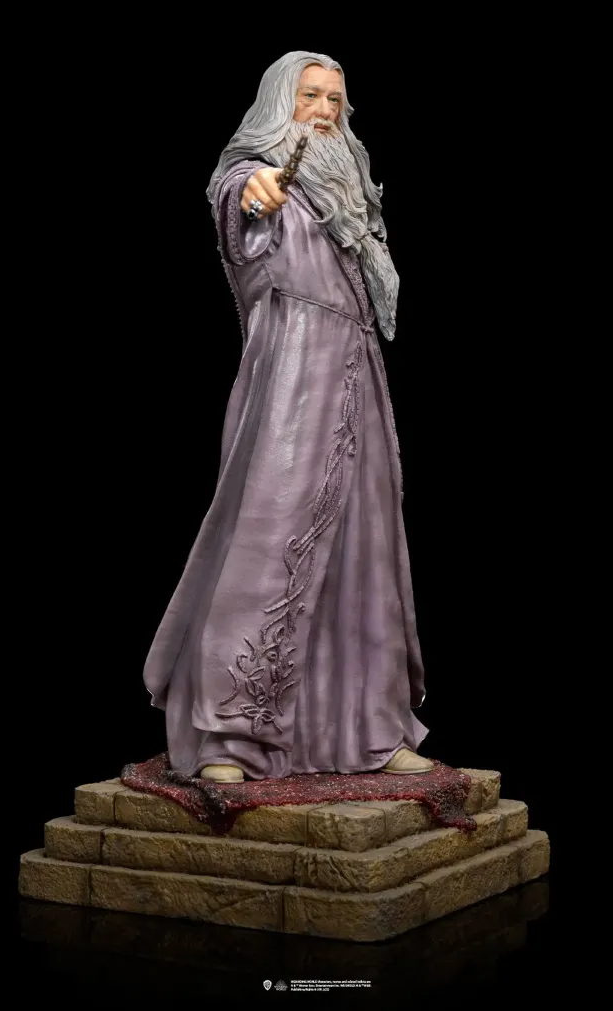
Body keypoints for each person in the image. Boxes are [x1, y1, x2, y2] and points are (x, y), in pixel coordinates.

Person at [142, 51, 432, 783]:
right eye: (310, 96)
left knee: (365, 550)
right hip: (293, 378)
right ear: (281, 102)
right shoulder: (257, 174)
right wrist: (255, 193)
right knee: (270, 538)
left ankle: (369, 727)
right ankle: (229, 737)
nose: (325, 111)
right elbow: (240, 201)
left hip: (357, 377)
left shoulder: (349, 196)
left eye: (336, 99)